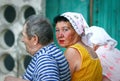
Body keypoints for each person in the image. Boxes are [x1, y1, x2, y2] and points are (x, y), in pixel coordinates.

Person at [4, 15, 71, 81]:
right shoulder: (52, 51)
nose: (22, 40)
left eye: (24, 35)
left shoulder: (45, 58)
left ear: (34, 39)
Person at [54, 12, 102, 81]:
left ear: (77, 31)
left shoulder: (72, 51)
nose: (60, 35)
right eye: (57, 30)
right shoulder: (90, 50)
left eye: (65, 29)